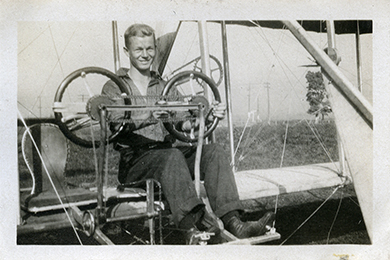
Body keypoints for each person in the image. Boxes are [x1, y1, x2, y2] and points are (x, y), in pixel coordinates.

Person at [102, 23, 275, 244]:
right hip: (135, 161)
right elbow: (116, 125)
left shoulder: (165, 86)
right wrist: (151, 115)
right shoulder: (114, 87)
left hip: (167, 157)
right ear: (127, 52)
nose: (145, 55)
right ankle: (190, 228)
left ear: (155, 49)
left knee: (213, 152)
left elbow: (182, 123)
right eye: (138, 50)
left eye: (149, 49)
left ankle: (234, 222)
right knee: (172, 156)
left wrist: (208, 117)